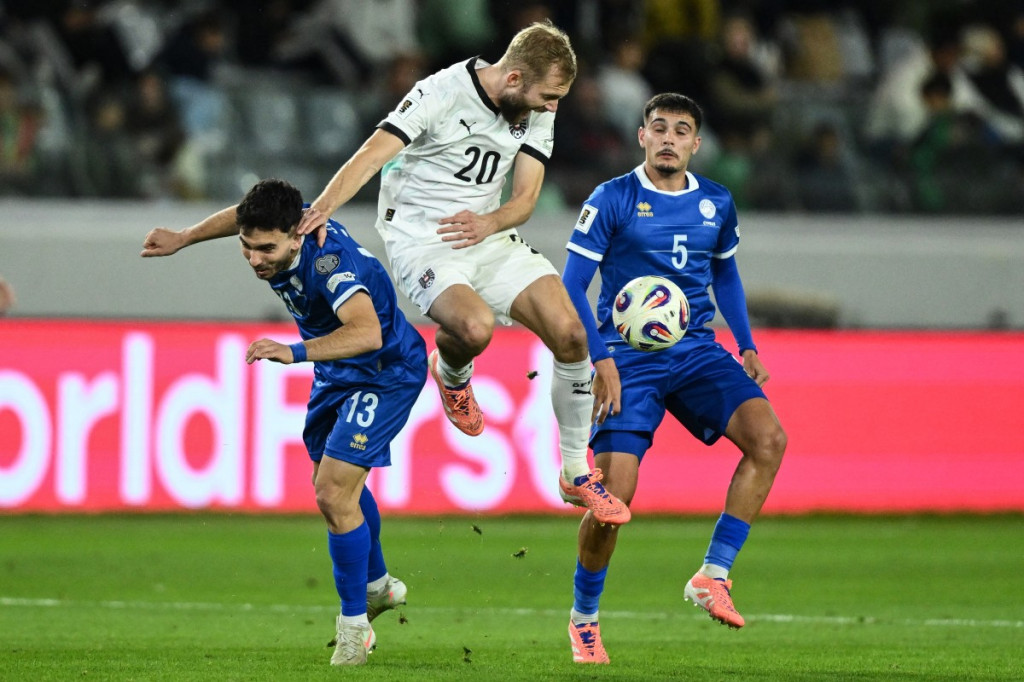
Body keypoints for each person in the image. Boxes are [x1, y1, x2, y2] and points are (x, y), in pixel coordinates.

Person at [295, 20, 629, 524]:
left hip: (486, 233)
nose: (554, 106)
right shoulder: (441, 93)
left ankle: (577, 471)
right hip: (422, 241)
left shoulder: (535, 109)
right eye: (549, 95)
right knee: (474, 327)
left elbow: (526, 199)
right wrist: (321, 207)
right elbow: (372, 154)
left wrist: (489, 221)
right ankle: (451, 373)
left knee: (572, 335)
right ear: (515, 78)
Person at [140, 179, 425, 666]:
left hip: (384, 370)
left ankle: (354, 629)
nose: (255, 260)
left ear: (297, 235)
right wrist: (185, 237)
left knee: (333, 492)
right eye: (246, 248)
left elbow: (367, 331)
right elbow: (242, 215)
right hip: (336, 369)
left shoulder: (331, 266)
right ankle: (377, 585)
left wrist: (291, 352)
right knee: (333, 487)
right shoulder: (283, 223)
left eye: (266, 249)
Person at [559, 93, 787, 663]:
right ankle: (584, 618)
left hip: (696, 352)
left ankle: (713, 574)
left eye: (680, 130)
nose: (668, 138)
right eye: (658, 128)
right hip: (626, 358)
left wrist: (748, 343)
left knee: (769, 439)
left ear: (695, 144)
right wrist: (601, 359)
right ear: (641, 137)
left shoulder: (716, 201)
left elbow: (726, 275)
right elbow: (571, 285)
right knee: (615, 499)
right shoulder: (611, 198)